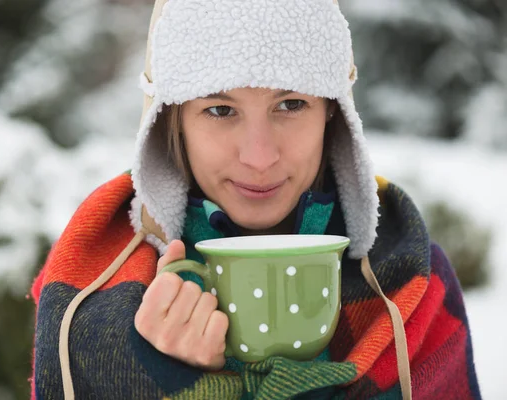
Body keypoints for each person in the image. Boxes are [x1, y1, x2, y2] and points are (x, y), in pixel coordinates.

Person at [29, 0, 481, 399]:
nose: (259, 157)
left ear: (332, 110)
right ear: (175, 120)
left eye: (290, 105)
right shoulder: (89, 294)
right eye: (220, 110)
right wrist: (155, 378)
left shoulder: (410, 282)